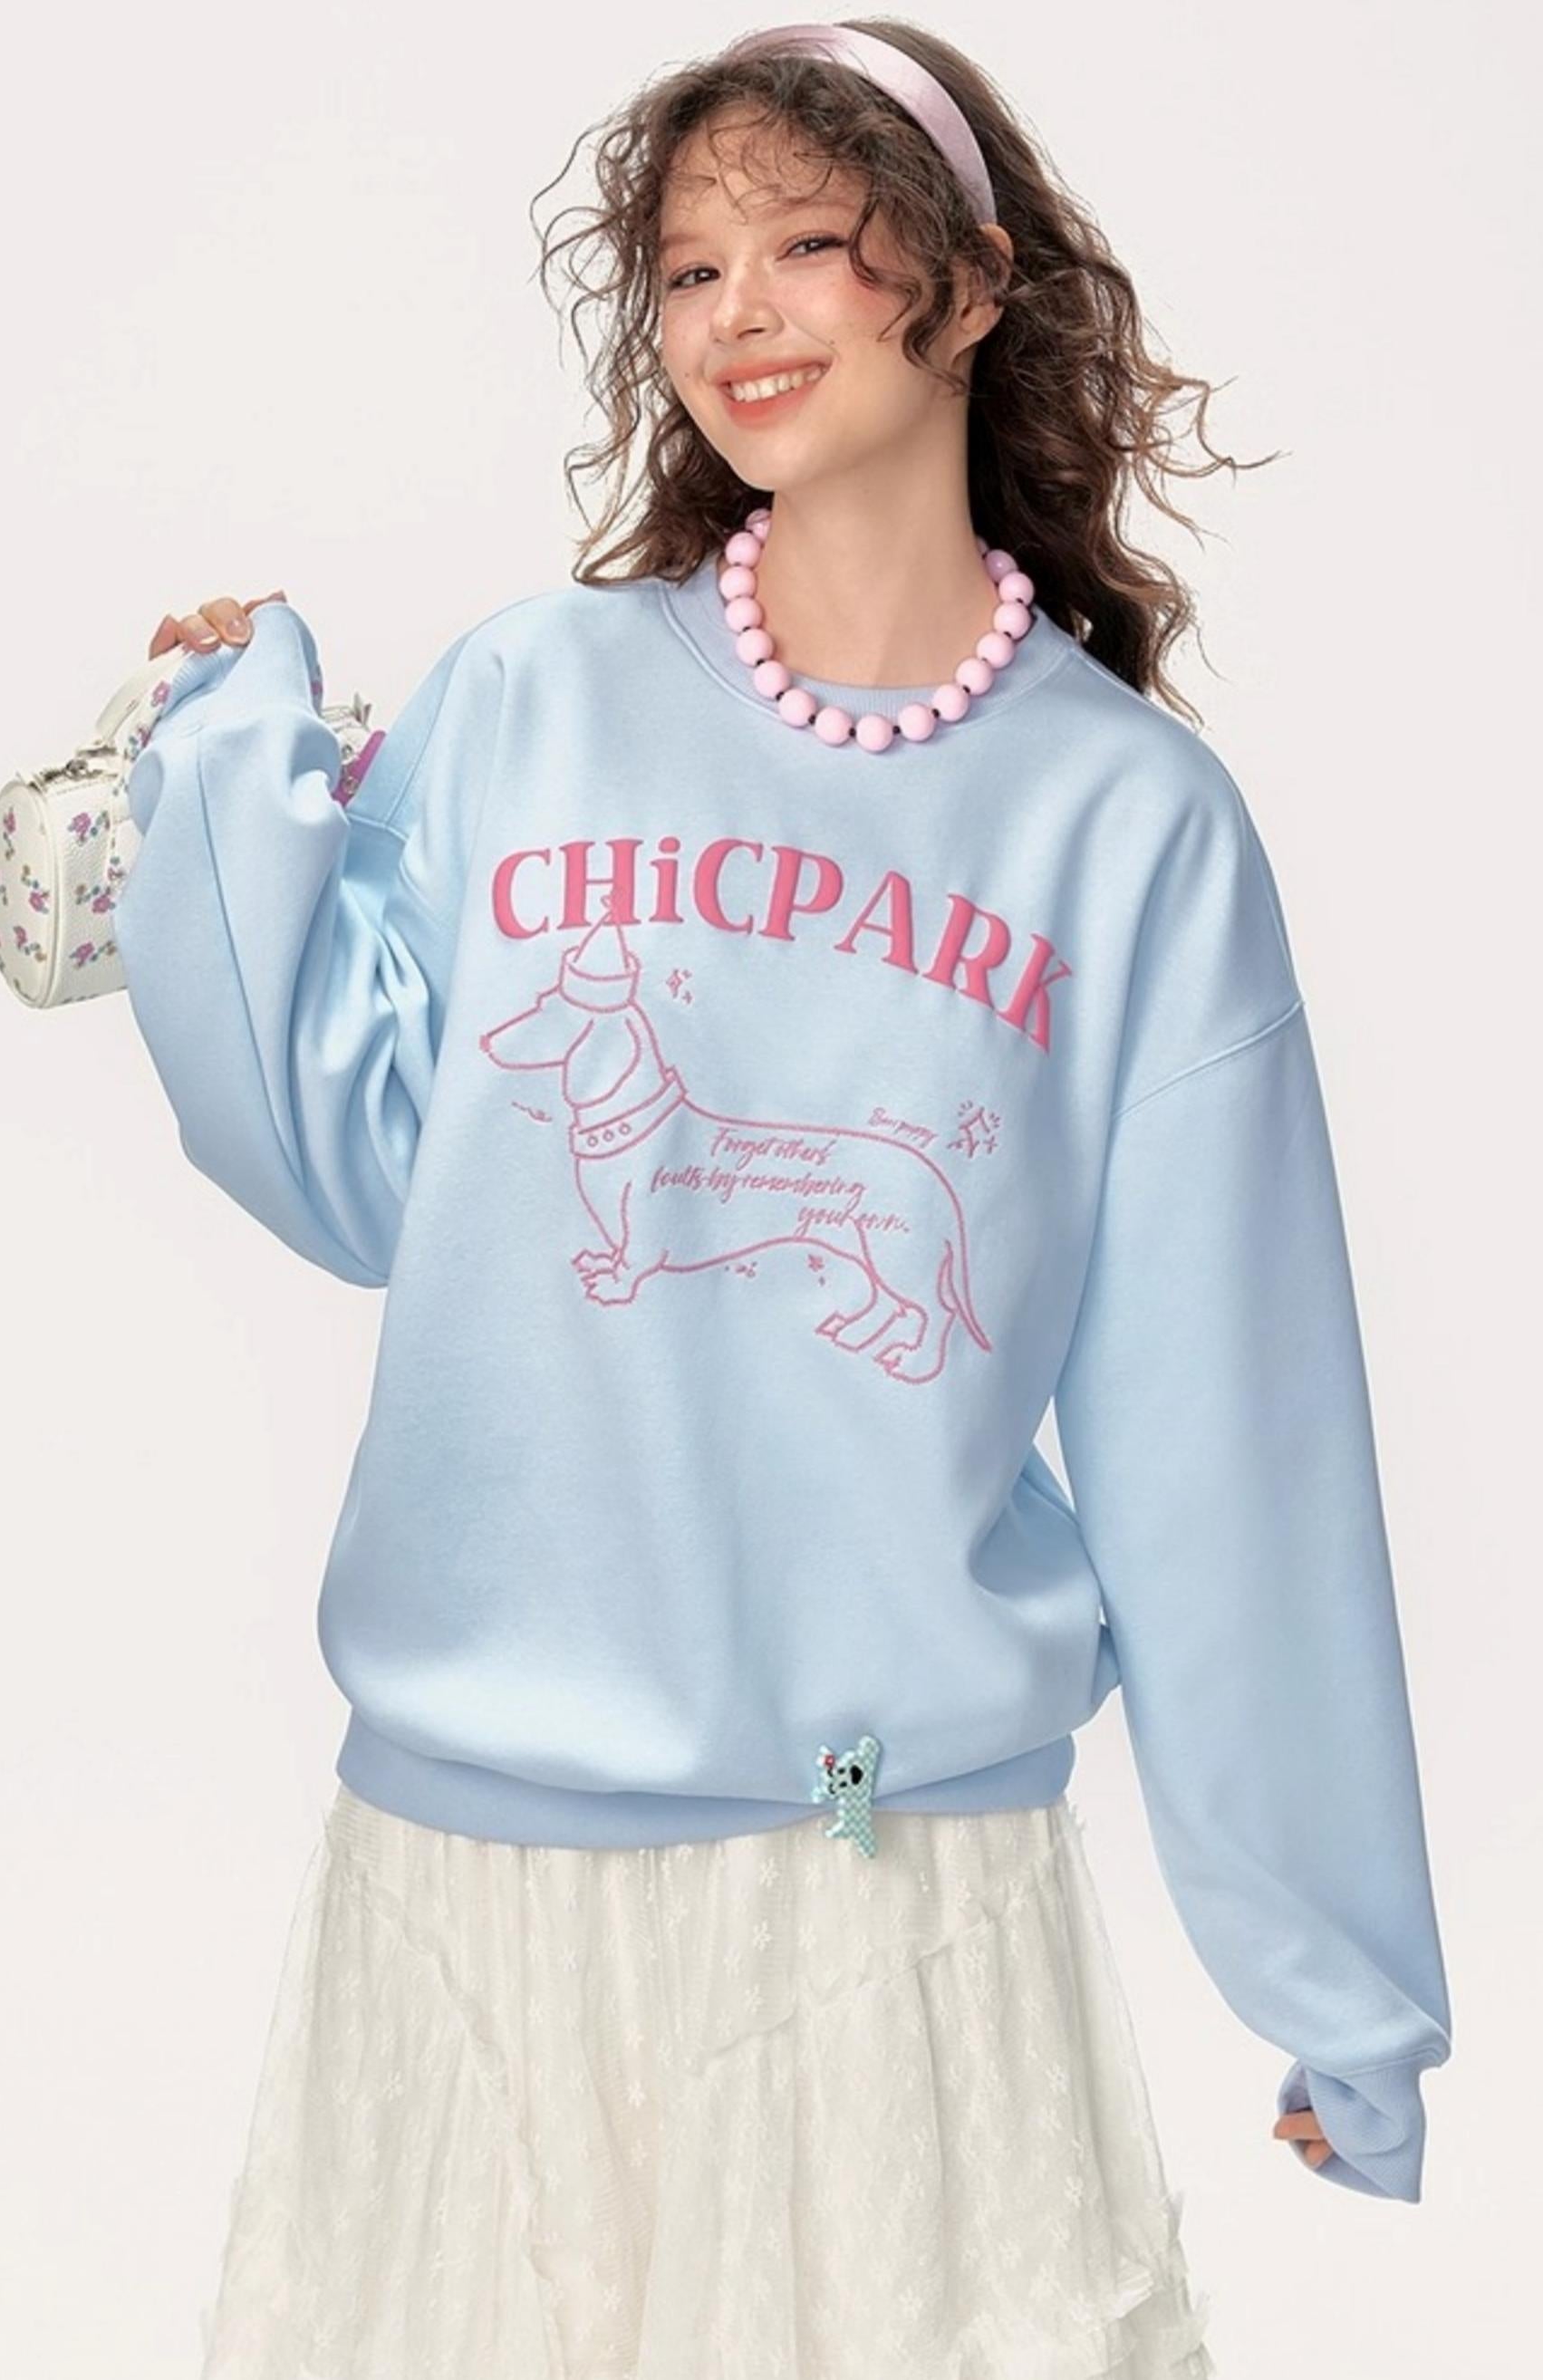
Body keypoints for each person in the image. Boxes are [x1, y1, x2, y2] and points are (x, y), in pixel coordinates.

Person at [115, 18, 1451, 2377]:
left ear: (970, 284)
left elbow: (1229, 1445)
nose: (735, 313)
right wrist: (225, 780)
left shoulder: (1125, 830)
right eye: (686, 269)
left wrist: (1335, 1983)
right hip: (476, 1860)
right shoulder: (533, 701)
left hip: (875, 1845)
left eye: (807, 247)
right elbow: (362, 1168)